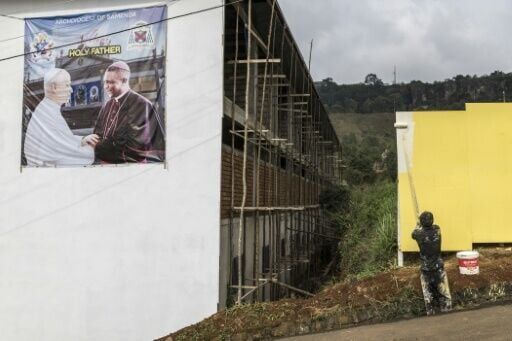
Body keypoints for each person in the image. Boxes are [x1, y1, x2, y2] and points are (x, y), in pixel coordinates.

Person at [24, 68, 99, 167]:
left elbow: (63, 139)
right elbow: (62, 150)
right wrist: (89, 149)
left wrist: (82, 140)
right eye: (67, 85)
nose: (71, 90)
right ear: (54, 87)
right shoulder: (48, 113)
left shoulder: (48, 109)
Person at [93, 61, 165, 163]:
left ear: (124, 81)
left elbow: (135, 149)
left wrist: (99, 146)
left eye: (111, 82)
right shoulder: (107, 106)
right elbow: (97, 134)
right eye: (105, 82)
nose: (106, 86)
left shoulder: (142, 104)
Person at [412, 211, 452, 315]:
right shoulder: (437, 229)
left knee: (428, 296)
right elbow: (430, 226)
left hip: (426, 270)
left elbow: (413, 233)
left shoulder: (418, 234)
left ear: (421, 222)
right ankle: (447, 310)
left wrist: (418, 225)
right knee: (444, 294)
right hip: (439, 267)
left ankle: (430, 312)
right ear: (432, 220)